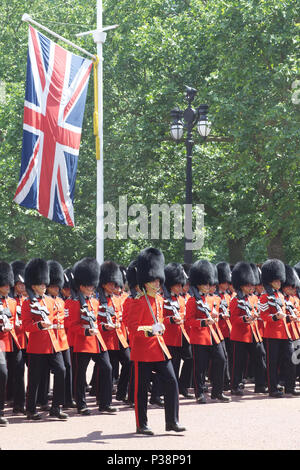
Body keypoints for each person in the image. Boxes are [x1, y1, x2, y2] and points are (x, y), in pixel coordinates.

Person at [127, 247, 186, 435]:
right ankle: (141, 424)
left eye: (158, 280)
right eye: (154, 280)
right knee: (141, 389)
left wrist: (159, 328)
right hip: (143, 350)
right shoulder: (136, 302)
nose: (157, 283)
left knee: (171, 382)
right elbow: (133, 328)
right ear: (145, 282)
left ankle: (172, 421)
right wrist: (149, 330)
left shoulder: (160, 299)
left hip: (159, 349)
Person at [68, 257, 116, 415]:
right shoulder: (73, 302)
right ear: (81, 286)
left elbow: (98, 321)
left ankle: (105, 403)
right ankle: (81, 404)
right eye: (88, 286)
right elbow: (71, 325)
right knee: (80, 374)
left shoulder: (94, 302)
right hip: (82, 342)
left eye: (92, 286)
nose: (91, 288)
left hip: (97, 341)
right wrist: (85, 331)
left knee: (107, 368)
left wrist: (104, 326)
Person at [22, 258, 68, 420]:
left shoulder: (51, 301)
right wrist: (40, 326)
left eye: (44, 284)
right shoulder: (27, 303)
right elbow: (26, 326)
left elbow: (58, 319)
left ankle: (56, 407)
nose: (43, 286)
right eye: (40, 284)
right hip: (37, 346)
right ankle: (31, 409)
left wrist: (55, 325)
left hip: (53, 344)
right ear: (33, 285)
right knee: (34, 378)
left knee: (62, 371)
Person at [186, 260, 229, 404]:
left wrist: (217, 316)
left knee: (221, 360)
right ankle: (200, 392)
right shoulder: (192, 301)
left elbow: (216, 314)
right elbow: (189, 321)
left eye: (208, 283)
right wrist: (203, 322)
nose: (207, 286)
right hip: (199, 337)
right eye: (204, 284)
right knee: (200, 367)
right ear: (198, 284)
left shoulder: (214, 298)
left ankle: (217, 391)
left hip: (214, 335)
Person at [259, 259, 299, 397]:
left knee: (291, 359)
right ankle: (273, 388)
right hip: (272, 334)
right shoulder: (264, 297)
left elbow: (282, 315)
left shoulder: (281, 295)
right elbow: (263, 315)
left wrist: (288, 318)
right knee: (273, 363)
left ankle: (290, 386)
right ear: (270, 281)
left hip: (285, 332)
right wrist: (275, 317)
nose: (279, 283)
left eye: (279, 281)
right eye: (276, 281)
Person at [229, 262, 267, 396]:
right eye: (248, 285)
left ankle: (261, 385)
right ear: (241, 285)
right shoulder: (235, 300)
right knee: (238, 362)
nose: (251, 287)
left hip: (254, 334)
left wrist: (258, 316)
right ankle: (235, 386)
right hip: (240, 335)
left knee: (261, 356)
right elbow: (233, 319)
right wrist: (245, 318)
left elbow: (258, 312)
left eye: (252, 284)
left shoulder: (255, 298)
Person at [97, 261, 131, 403]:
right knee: (107, 370)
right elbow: (94, 320)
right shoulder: (97, 300)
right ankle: (102, 399)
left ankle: (121, 392)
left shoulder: (116, 299)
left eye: (114, 284)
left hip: (119, 337)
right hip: (106, 339)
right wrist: (104, 326)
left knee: (129, 362)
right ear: (103, 284)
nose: (114, 286)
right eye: (111, 284)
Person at [47, 260, 75, 409]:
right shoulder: (45, 301)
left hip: (62, 339)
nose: (57, 289)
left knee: (68, 368)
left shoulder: (61, 301)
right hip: (50, 339)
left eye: (58, 286)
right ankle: (51, 402)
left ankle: (67, 398)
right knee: (56, 371)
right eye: (53, 286)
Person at [162, 262, 193, 399]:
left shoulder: (182, 299)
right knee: (173, 365)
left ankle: (183, 385)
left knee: (190, 359)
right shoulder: (163, 300)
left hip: (183, 335)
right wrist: (170, 320)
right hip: (170, 336)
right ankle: (171, 391)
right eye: (178, 285)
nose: (181, 287)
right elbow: (160, 318)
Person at [0, 261, 23, 426]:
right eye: (5, 283)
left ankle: (19, 404)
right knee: (3, 372)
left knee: (19, 371)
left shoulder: (13, 302)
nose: (8, 286)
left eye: (9, 283)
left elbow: (17, 320)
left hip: (13, 340)